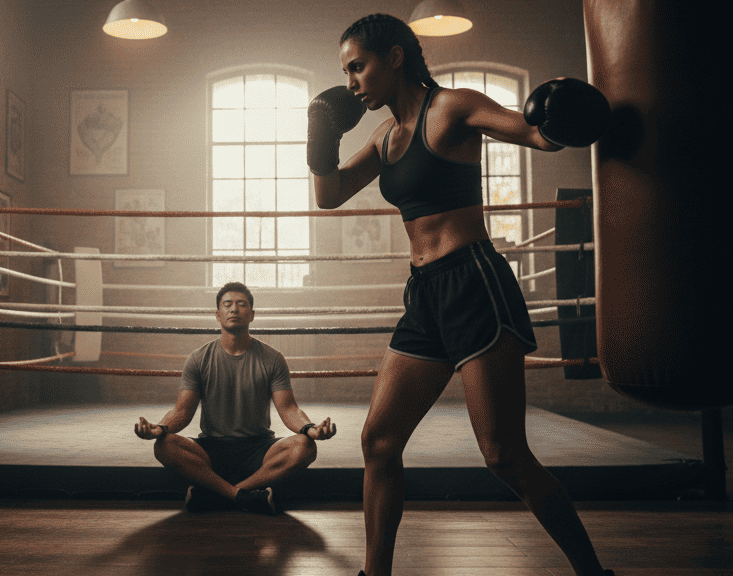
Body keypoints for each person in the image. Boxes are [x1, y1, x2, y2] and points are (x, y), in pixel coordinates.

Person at [308, 14, 613, 576]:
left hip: (473, 283)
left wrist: (560, 117)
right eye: (345, 72)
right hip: (424, 294)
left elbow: (534, 134)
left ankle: (595, 574)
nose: (350, 82)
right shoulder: (384, 136)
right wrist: (321, 132)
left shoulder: (450, 107)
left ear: (395, 57)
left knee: (503, 455)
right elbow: (329, 195)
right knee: (378, 442)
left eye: (358, 66)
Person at [134, 282, 337, 515]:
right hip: (211, 449)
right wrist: (159, 428)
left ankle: (220, 494)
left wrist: (309, 429)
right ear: (218, 314)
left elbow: (289, 409)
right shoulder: (198, 359)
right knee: (164, 446)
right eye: (227, 305)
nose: (234, 309)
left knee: (305, 447)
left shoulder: (272, 358)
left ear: (252, 314)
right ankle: (244, 497)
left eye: (241, 305)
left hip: (259, 448)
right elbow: (182, 411)